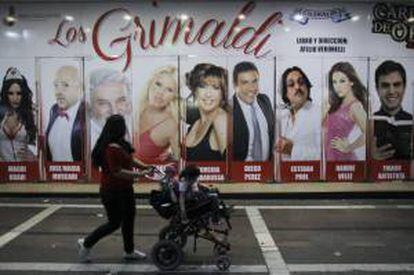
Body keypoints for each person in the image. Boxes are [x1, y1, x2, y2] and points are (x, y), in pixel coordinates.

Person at [77, 114, 153, 263]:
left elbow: (130, 159)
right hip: (111, 191)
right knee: (114, 223)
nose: (124, 129)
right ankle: (86, 243)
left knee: (129, 219)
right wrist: (139, 175)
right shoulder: (111, 148)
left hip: (126, 189)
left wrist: (145, 167)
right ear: (118, 129)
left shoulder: (120, 143)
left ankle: (129, 251)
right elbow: (117, 171)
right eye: (122, 126)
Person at [134, 66, 179, 164]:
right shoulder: (135, 107)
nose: (160, 92)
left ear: (174, 97)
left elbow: (180, 162)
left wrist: (171, 156)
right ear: (150, 82)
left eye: (169, 90)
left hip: (147, 178)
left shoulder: (170, 125)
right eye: (158, 84)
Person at [324, 62, 367, 161]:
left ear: (351, 81)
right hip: (329, 156)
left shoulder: (355, 106)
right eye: (334, 82)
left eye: (342, 81)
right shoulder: (335, 103)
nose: (337, 86)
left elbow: (369, 133)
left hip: (342, 158)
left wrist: (350, 147)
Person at [276, 66, 321, 161]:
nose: (297, 87)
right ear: (285, 93)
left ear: (307, 86)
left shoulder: (320, 114)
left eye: (301, 82)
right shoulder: (282, 118)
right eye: (291, 84)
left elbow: (329, 156)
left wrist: (293, 150)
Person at [185, 63, 228, 161]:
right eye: (203, 86)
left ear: (222, 93)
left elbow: (231, 170)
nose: (208, 94)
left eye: (215, 88)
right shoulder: (195, 123)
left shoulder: (220, 119)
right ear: (195, 90)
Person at [232, 61, 274, 161]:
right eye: (245, 82)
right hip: (239, 171)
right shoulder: (228, 109)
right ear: (235, 85)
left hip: (266, 170)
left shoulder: (265, 100)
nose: (251, 88)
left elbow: (271, 133)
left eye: (254, 81)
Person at [372, 60, 413, 160]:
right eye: (385, 85)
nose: (391, 91)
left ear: (404, 87)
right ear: (377, 89)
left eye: (397, 84)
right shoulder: (368, 124)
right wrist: (370, 159)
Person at [45, 65, 84, 162]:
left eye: (65, 85)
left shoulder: (87, 113)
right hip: (53, 175)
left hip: (79, 176)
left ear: (80, 89)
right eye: (56, 85)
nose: (58, 92)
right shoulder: (53, 110)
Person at [89, 68, 132, 149]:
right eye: (103, 103)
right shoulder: (86, 142)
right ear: (90, 107)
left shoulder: (134, 129)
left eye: (121, 101)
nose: (114, 112)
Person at [0, 67, 36, 161]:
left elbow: (40, 148)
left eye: (19, 93)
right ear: (5, 94)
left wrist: (33, 156)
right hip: (3, 172)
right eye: (11, 93)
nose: (15, 98)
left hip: (26, 170)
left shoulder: (31, 114)